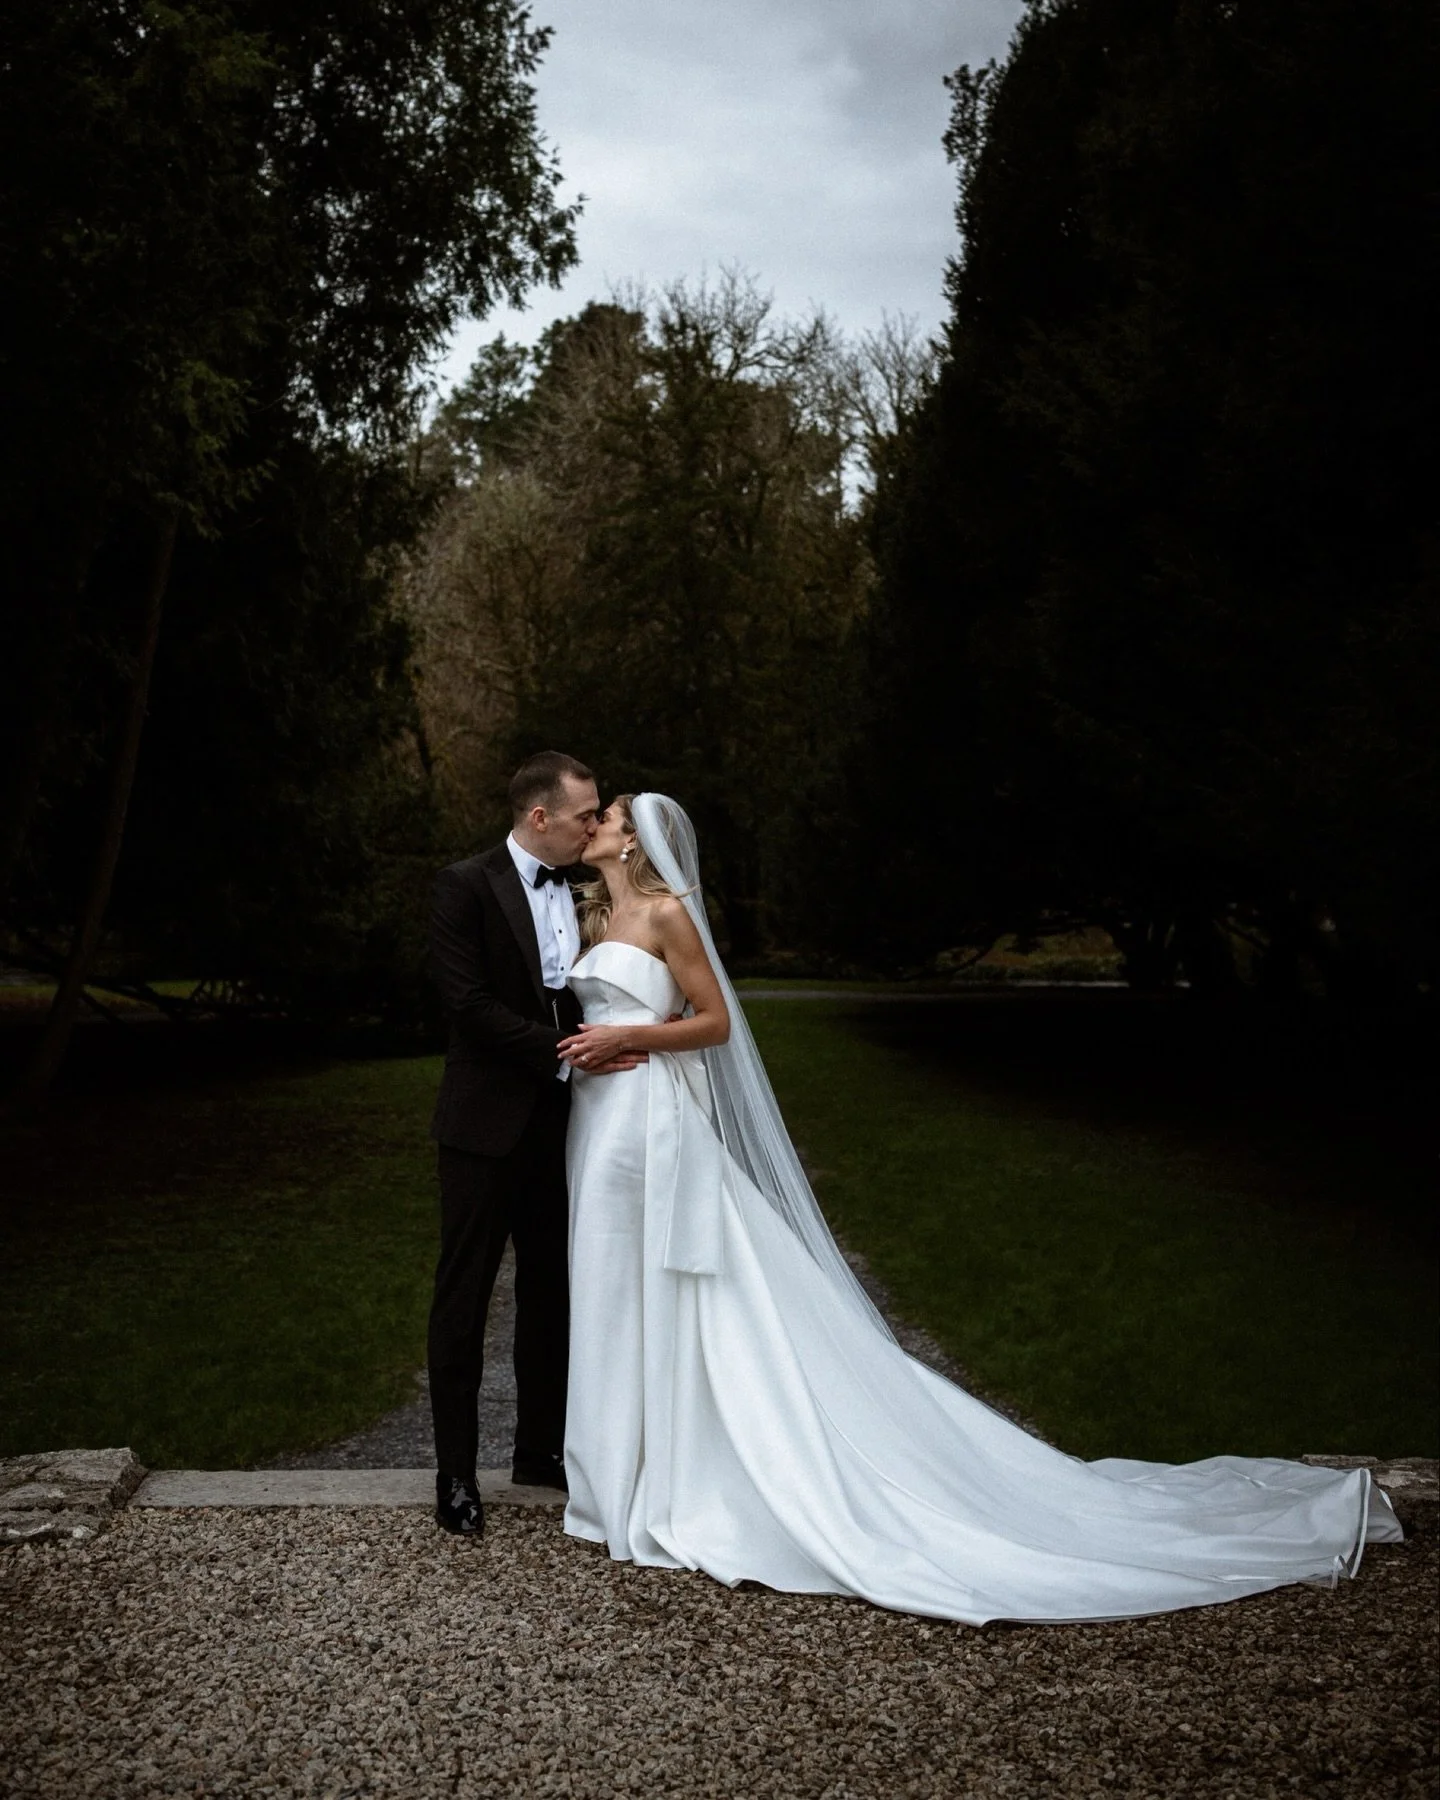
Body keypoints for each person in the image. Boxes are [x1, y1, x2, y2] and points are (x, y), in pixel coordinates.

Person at [555, 792, 1403, 1624]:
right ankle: (627, 1476)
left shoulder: (668, 916)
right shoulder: (598, 919)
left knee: (691, 1291)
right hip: (604, 1125)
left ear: (634, 844)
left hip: (657, 1123)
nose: (595, 825)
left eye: (610, 818)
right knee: (615, 1287)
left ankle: (706, 1477)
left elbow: (714, 1025)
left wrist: (627, 1037)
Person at [424, 752, 644, 1537]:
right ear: (538, 817)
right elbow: (469, 1007)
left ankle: (539, 1453)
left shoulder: (590, 887)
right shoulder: (464, 885)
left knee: (553, 1292)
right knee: (465, 1295)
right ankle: (454, 1474)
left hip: (567, 1125)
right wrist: (575, 1050)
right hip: (483, 1127)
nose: (596, 824)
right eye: (585, 813)